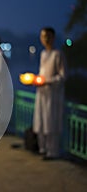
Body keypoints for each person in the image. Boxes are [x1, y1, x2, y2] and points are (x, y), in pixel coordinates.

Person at [33, 27, 67, 160]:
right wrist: (36, 80)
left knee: (51, 121)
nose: (44, 39)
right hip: (42, 92)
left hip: (53, 94)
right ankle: (43, 148)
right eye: (42, 36)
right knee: (41, 121)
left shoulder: (57, 54)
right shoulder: (43, 54)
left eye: (47, 36)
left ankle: (53, 151)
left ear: (53, 38)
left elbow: (63, 76)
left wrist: (47, 81)